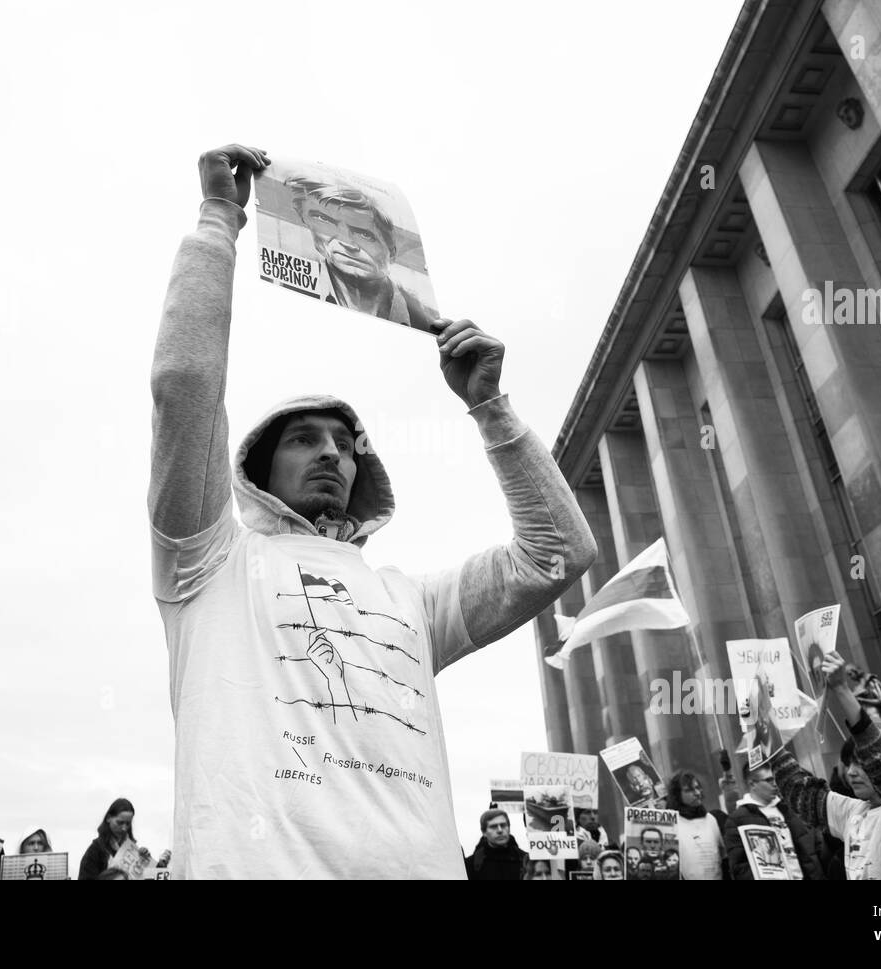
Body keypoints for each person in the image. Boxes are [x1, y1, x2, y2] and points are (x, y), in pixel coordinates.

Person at [149, 145, 595, 879]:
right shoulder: (206, 560)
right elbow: (184, 383)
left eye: (343, 443)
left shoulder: (410, 599)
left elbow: (557, 556)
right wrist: (219, 219)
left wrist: (490, 407)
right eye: (303, 438)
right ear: (261, 462)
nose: (331, 453)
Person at [770, 652, 881, 879]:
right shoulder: (853, 813)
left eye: (862, 764)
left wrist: (841, 689)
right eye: (848, 764)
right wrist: (765, 731)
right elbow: (801, 791)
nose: (851, 773)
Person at [284, 173, 434, 329]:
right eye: (324, 220)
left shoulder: (423, 317)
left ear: (392, 253)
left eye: (365, 234)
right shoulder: (288, 287)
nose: (347, 243)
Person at [725, 762, 825, 880]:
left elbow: (811, 849)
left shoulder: (788, 808)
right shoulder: (737, 820)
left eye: (775, 779)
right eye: (768, 780)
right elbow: (739, 867)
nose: (775, 784)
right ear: (752, 784)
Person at [664, 770, 725, 880]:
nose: (697, 793)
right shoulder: (671, 825)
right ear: (677, 795)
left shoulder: (711, 819)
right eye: (689, 790)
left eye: (697, 788)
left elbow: (723, 855)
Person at [465, 809, 527, 881]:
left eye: (503, 825)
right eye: (493, 827)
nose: (500, 830)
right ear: (484, 832)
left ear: (509, 828)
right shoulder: (471, 864)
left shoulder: (525, 860)